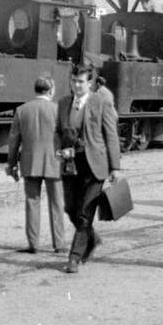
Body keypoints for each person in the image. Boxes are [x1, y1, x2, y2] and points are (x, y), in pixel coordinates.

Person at [56, 65, 122, 274]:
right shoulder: (64, 103)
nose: (76, 85)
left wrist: (115, 167)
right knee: (70, 208)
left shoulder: (101, 102)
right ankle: (91, 239)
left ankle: (74, 257)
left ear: (90, 83)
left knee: (85, 212)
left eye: (81, 82)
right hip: (71, 164)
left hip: (95, 165)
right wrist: (60, 149)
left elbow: (111, 134)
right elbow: (58, 132)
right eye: (74, 81)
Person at [6, 76, 66, 253]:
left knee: (32, 202)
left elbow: (13, 140)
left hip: (30, 162)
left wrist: (11, 164)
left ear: (36, 90)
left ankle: (33, 244)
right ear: (51, 90)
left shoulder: (22, 110)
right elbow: (67, 137)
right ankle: (59, 244)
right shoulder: (59, 110)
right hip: (54, 162)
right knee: (57, 203)